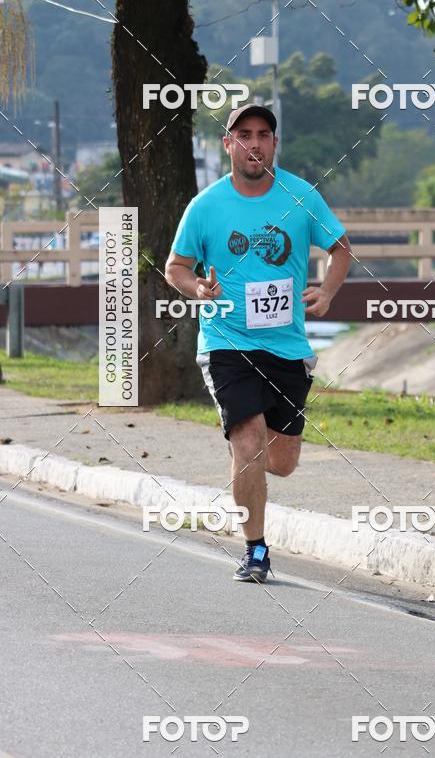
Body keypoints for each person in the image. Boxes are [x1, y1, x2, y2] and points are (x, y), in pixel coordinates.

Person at [165, 103, 351, 582]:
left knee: (283, 463)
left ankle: (241, 465)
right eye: (243, 134)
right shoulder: (206, 206)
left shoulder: (301, 195)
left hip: (287, 347)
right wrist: (198, 289)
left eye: (263, 134)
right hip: (227, 340)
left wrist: (327, 292)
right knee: (248, 442)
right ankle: (256, 551)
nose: (254, 143)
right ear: (228, 144)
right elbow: (176, 268)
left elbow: (341, 248)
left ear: (274, 143)